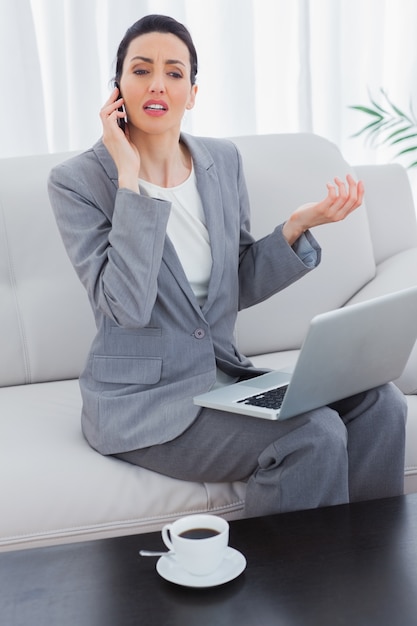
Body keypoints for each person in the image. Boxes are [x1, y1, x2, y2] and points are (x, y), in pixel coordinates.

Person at [48, 14, 406, 517]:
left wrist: (296, 227)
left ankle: (367, 571)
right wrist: (130, 179)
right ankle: (296, 589)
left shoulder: (222, 162)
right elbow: (125, 308)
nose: (157, 84)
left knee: (381, 404)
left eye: (174, 73)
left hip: (223, 380)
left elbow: (234, 282)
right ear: (117, 88)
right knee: (314, 435)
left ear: (192, 93)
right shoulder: (78, 182)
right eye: (141, 70)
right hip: (142, 403)